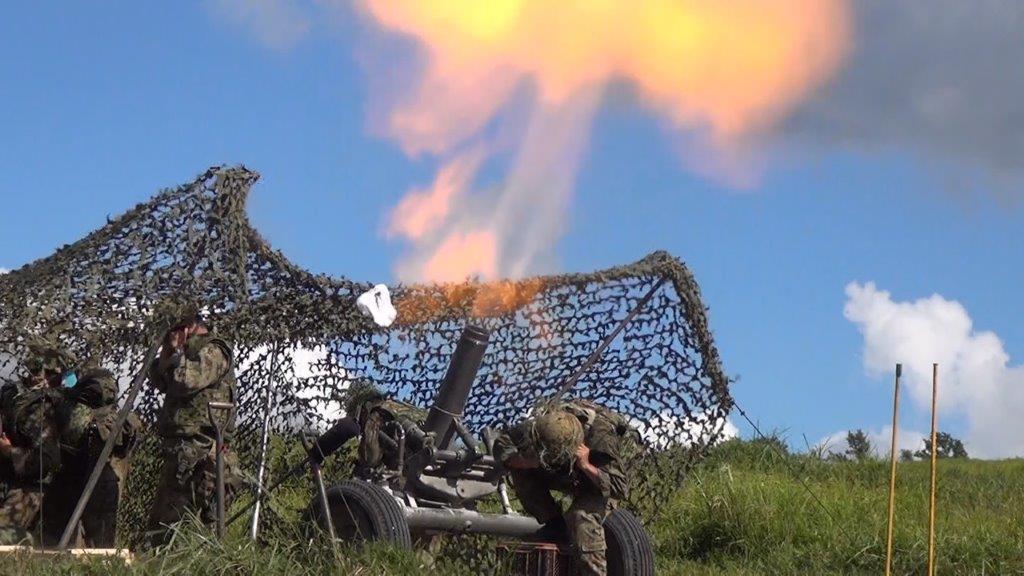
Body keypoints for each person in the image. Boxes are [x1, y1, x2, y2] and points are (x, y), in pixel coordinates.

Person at [494, 398, 637, 576]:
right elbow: (502, 443)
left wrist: (586, 465)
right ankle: (554, 524)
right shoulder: (540, 427)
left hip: (595, 479)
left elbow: (620, 488)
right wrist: (521, 461)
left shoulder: (601, 437)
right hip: (563, 471)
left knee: (581, 518)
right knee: (519, 470)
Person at [145, 302, 239, 545]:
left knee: (182, 532)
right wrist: (168, 355)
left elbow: (186, 381)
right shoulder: (184, 354)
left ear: (187, 327)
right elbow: (159, 380)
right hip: (182, 451)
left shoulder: (213, 351)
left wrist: (177, 356)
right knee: (162, 529)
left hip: (202, 452)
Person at [46, 364, 140, 547]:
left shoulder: (70, 407)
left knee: (87, 542)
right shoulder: (112, 417)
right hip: (96, 479)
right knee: (98, 543)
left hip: (88, 480)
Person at [0, 339, 73, 545]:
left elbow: (47, 461)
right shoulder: (15, 399)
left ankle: (27, 542)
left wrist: (8, 451)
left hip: (27, 490)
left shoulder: (41, 409)